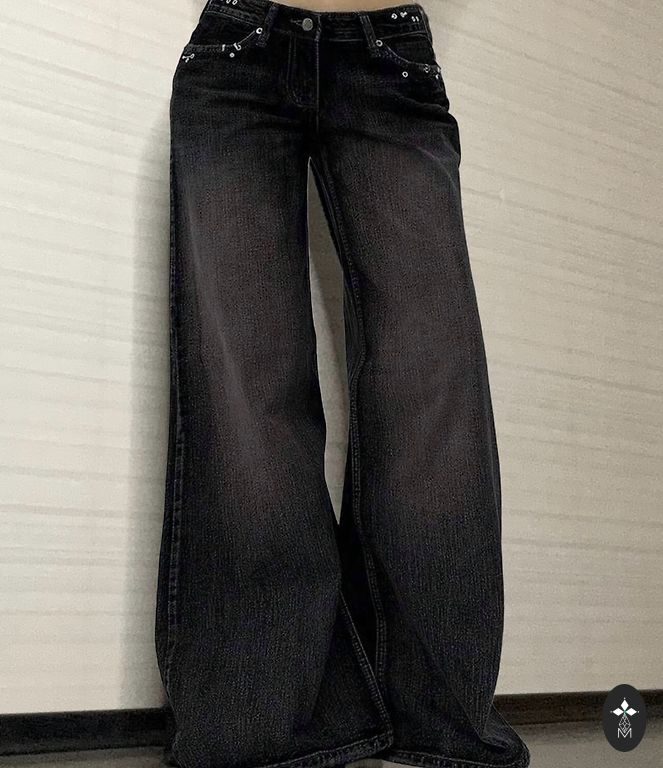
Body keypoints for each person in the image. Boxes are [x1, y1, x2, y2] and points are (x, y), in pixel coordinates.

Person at [155, 1, 531, 767]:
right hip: (235, 55)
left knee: (433, 382)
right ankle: (263, 723)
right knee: (243, 389)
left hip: (391, 63)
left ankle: (438, 718)